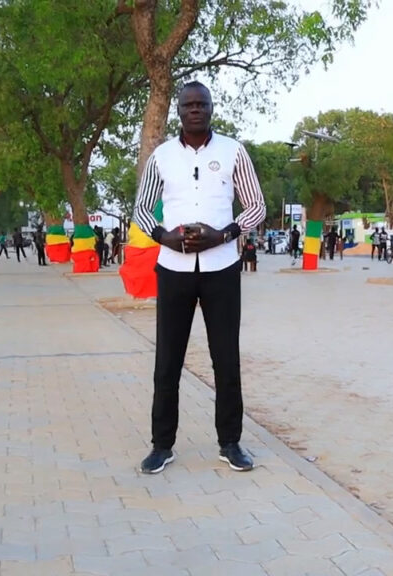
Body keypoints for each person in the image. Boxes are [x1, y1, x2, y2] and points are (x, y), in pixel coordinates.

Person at [131, 80, 266, 474]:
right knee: (167, 361)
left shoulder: (233, 152)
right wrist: (165, 237)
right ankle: (161, 445)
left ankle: (230, 442)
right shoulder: (162, 156)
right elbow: (141, 209)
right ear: (178, 111)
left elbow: (256, 206)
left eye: (201, 104)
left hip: (221, 268)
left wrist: (222, 234)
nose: (195, 110)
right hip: (173, 270)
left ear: (211, 109)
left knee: (226, 359)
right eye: (188, 105)